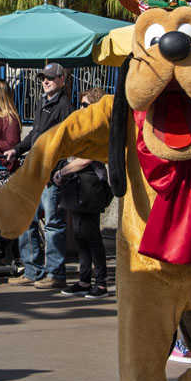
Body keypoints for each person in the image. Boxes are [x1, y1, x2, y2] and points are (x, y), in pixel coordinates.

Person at [4, 62, 74, 289]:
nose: (45, 81)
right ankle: (33, 270)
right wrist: (17, 148)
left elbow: (63, 144)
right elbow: (36, 134)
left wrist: (52, 171)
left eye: (50, 78)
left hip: (49, 175)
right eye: (43, 77)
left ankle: (56, 273)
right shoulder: (43, 102)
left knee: (53, 224)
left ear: (62, 81)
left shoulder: (64, 106)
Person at [55, 88, 112, 299]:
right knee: (81, 236)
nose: (81, 109)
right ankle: (84, 280)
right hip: (78, 187)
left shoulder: (98, 128)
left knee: (92, 236)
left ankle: (101, 283)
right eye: (80, 104)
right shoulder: (84, 126)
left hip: (90, 187)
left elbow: (86, 158)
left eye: (85, 105)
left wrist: (62, 171)